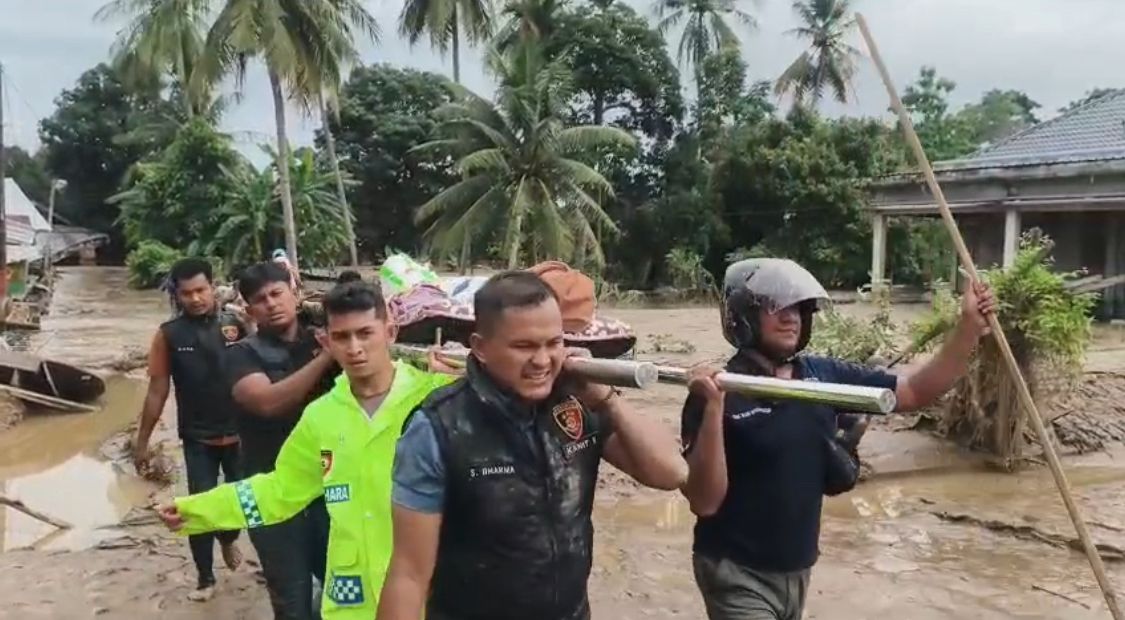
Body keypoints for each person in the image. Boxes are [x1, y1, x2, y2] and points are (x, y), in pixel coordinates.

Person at [680, 258, 996, 620]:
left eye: (798, 307)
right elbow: (704, 502)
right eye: (774, 306)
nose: (791, 317)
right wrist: (713, 408)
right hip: (735, 571)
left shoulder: (823, 376)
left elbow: (913, 392)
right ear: (743, 316)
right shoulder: (717, 390)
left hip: (797, 570)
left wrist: (968, 328)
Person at [376, 271, 689, 620]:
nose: (542, 361)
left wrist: (607, 399)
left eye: (553, 343)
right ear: (480, 347)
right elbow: (408, 574)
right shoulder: (438, 427)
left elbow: (671, 473)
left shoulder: (578, 404)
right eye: (524, 346)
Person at [158, 281, 460, 619]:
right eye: (342, 337)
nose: (355, 348)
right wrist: (199, 510)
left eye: (365, 333)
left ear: (390, 332)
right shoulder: (321, 416)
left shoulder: (439, 398)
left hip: (428, 591)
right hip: (352, 597)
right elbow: (280, 491)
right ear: (327, 341)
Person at [223, 261, 339, 620]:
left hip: (330, 487)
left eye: (278, 293)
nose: (272, 303)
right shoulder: (241, 354)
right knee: (291, 599)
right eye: (261, 299)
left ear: (295, 293)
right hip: (269, 491)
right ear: (248, 309)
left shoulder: (326, 337)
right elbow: (267, 403)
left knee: (346, 588)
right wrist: (325, 360)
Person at [134, 258, 249, 602]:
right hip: (198, 437)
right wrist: (142, 442)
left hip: (241, 434)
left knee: (241, 503)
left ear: (213, 286)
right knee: (197, 507)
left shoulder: (236, 324)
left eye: (201, 290)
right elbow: (157, 391)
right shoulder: (169, 335)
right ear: (178, 295)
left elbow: (261, 369)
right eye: (187, 293)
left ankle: (228, 539)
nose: (196, 298)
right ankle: (205, 578)